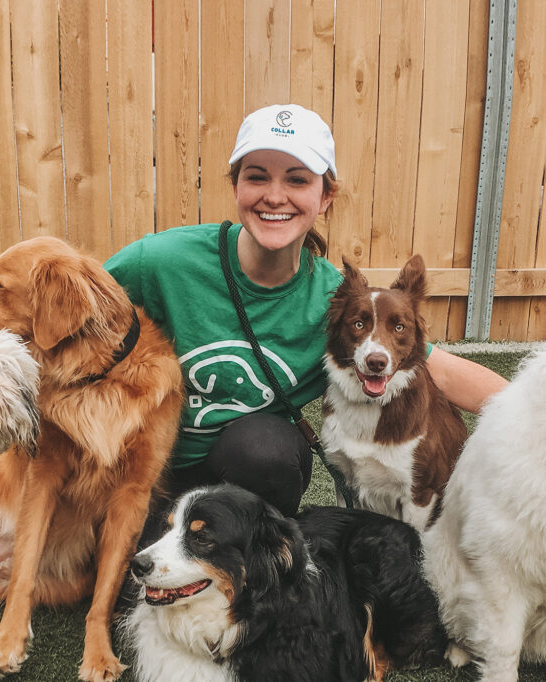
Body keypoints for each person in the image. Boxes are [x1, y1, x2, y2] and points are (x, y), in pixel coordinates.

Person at [105, 103, 507, 517]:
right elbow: (75, 302)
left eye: (296, 180)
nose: (275, 196)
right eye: (257, 176)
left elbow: (434, 366)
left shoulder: (335, 302)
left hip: (242, 475)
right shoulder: (161, 260)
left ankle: (252, 552)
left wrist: (536, 415)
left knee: (266, 449)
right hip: (145, 470)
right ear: (236, 187)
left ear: (326, 196)